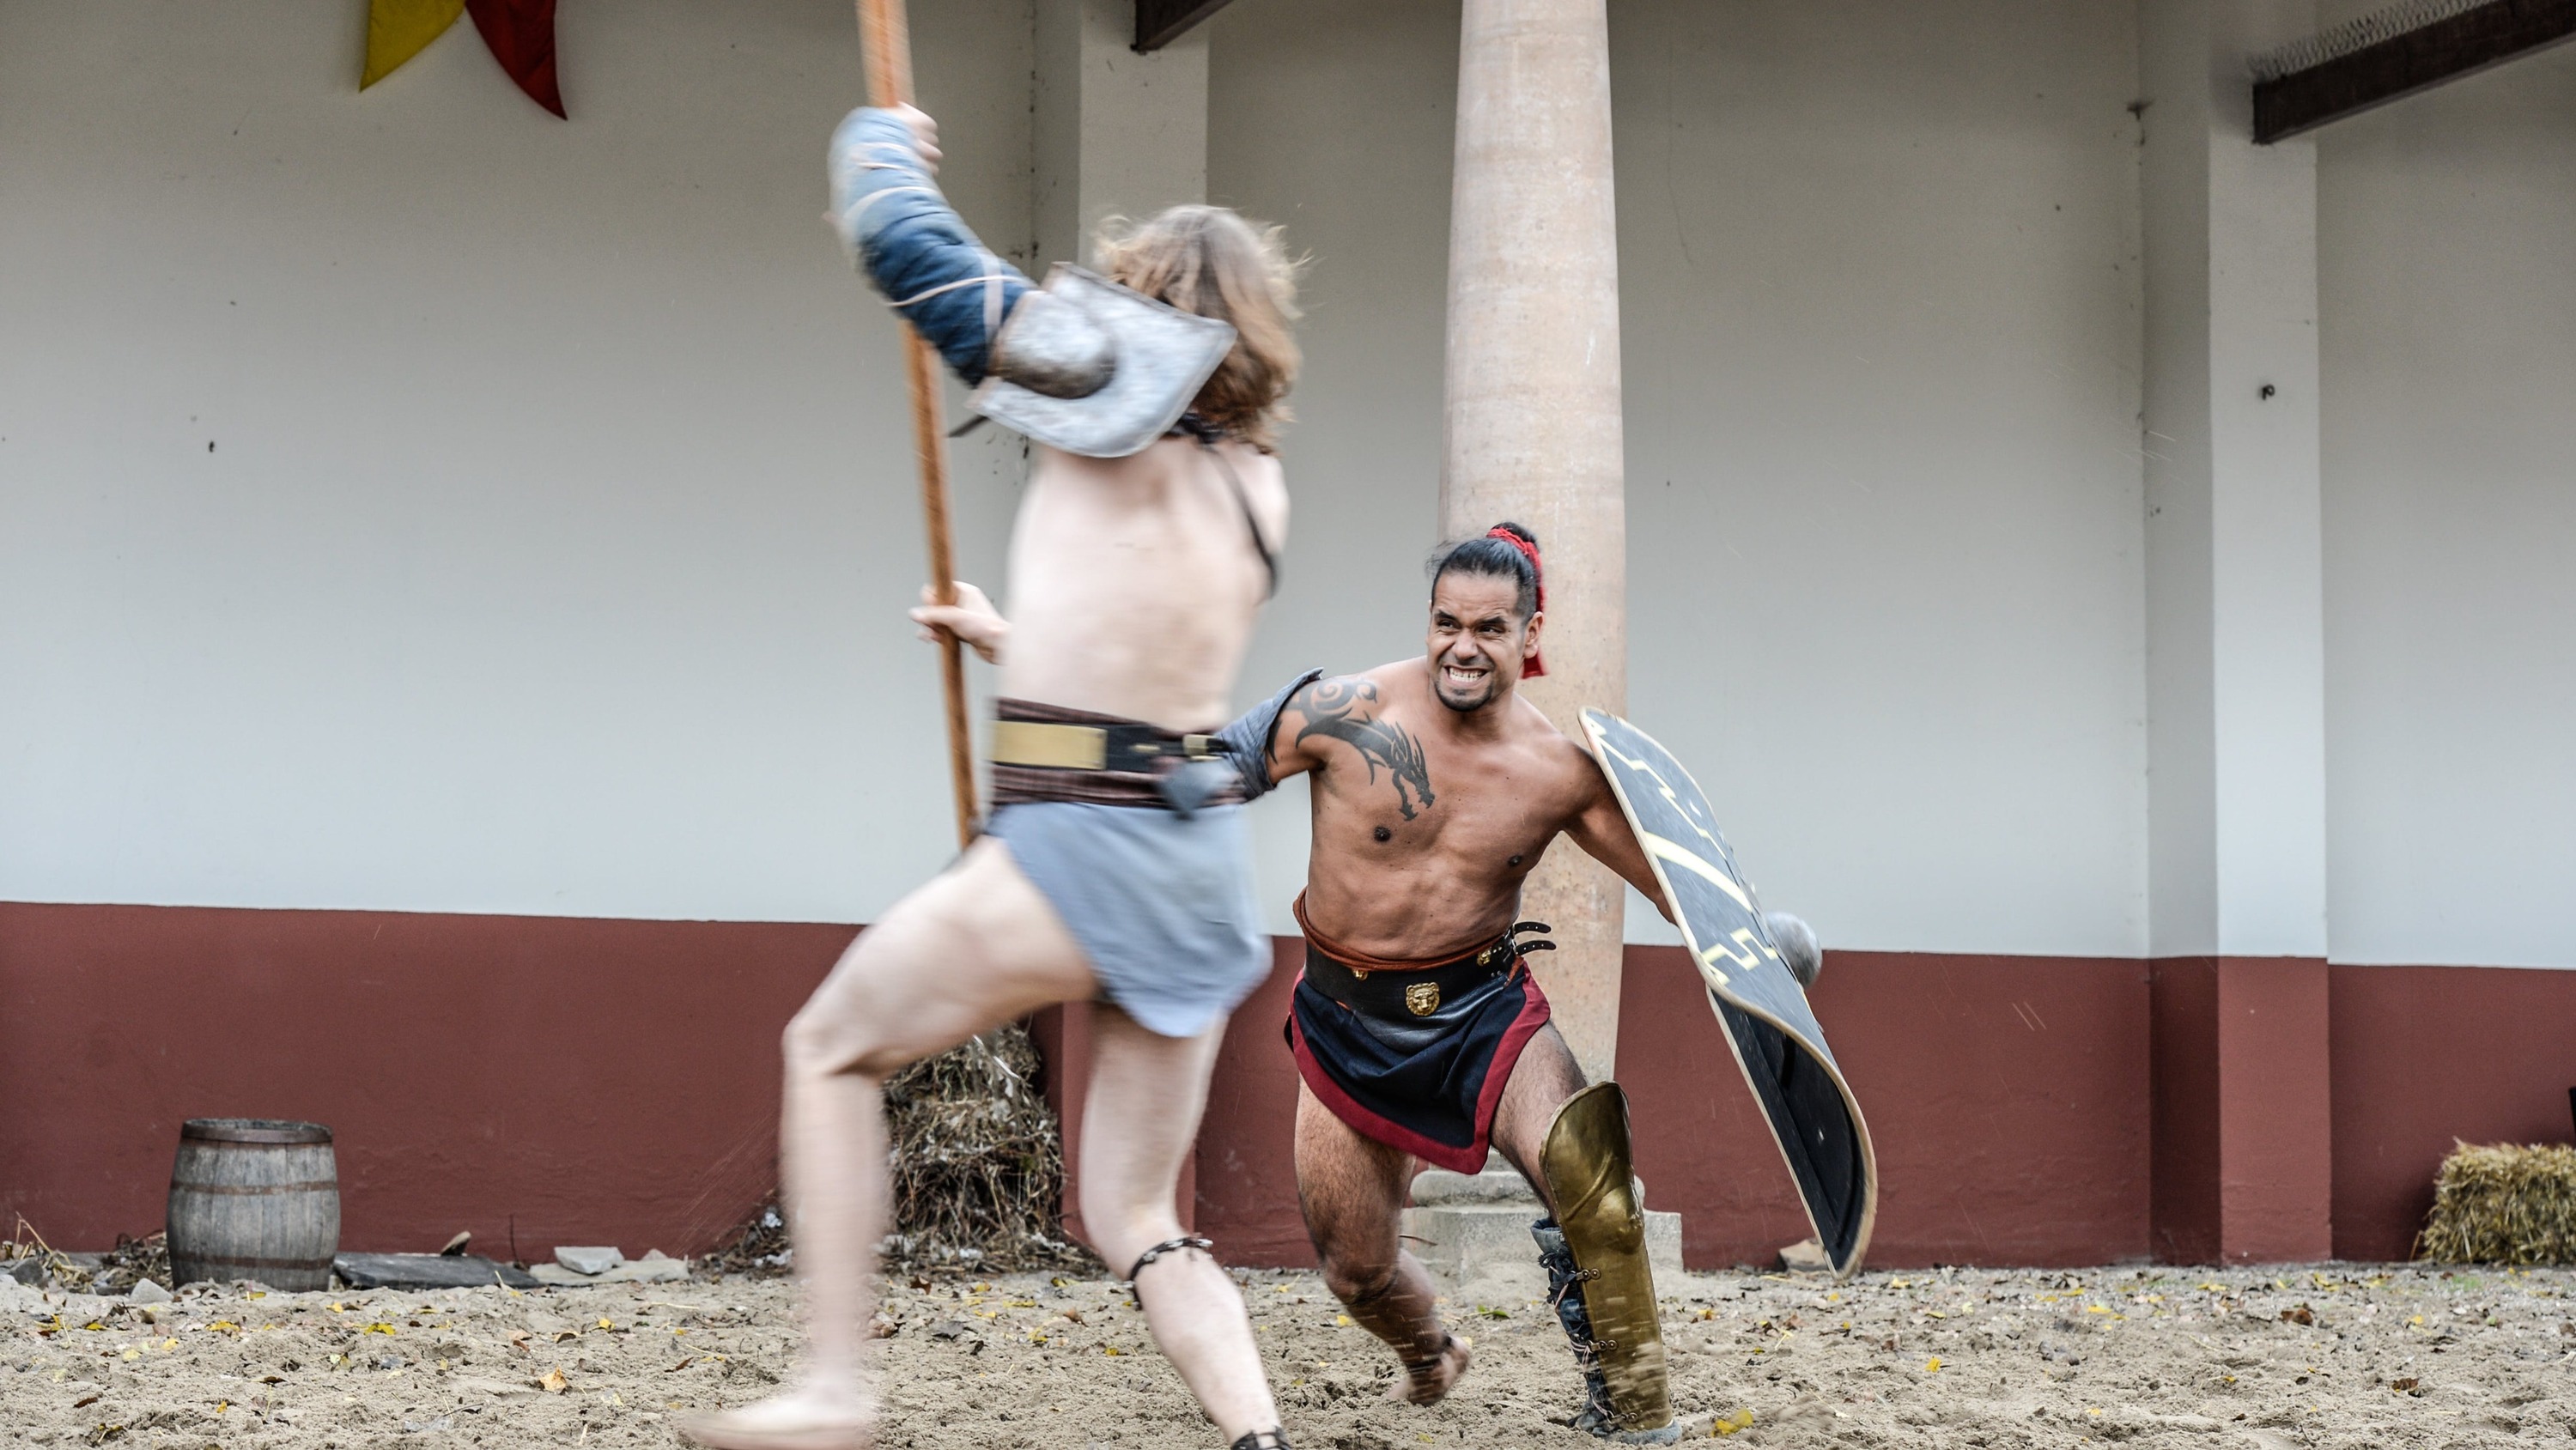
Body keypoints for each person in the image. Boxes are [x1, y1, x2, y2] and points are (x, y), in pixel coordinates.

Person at [682, 103, 1299, 1450]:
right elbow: (1147, 675)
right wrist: (1007, 642)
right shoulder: (1257, 488)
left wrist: (876, 138)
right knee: (1136, 1218)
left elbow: (901, 240)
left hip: (1082, 849)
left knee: (832, 1048)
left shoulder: (1098, 397)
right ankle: (1259, 1438)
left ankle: (838, 1386)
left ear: (1139, 304)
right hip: (1191, 861)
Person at [1210, 525, 1822, 1443]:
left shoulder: (1559, 774)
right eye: (1446, 623)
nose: (1462, 646)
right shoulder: (1344, 711)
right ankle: (1429, 1350)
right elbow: (1221, 764)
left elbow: (1676, 891)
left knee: (1593, 1177)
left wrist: (1758, 939)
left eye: (1489, 629)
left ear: (1528, 637)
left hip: (1482, 1011)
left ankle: (1634, 1413)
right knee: (1356, 1269)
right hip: (1348, 1018)